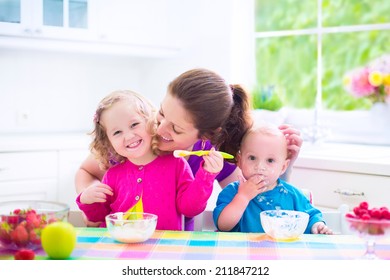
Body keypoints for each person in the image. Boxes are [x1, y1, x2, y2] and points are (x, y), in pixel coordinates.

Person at [75, 68, 303, 229]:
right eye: (162, 112)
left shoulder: (207, 154)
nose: (160, 128)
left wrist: (286, 167)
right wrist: (94, 201)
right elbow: (85, 172)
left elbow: (255, 200)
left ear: (203, 137)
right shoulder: (131, 140)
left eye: (175, 128)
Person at [76, 90, 223, 230]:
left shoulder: (176, 165)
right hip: (119, 247)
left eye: (134, 124)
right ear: (108, 141)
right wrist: (86, 200)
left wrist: (206, 176)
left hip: (163, 247)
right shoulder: (112, 175)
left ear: (151, 122)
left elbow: (190, 208)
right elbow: (99, 217)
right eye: (117, 132)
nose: (128, 136)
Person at [213, 122, 332, 234]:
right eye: (252, 158)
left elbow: (311, 216)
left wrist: (317, 225)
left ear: (283, 167)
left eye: (270, 160)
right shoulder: (232, 192)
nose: (260, 167)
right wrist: (243, 197)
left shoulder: (292, 194)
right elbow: (223, 226)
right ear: (239, 160)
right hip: (244, 252)